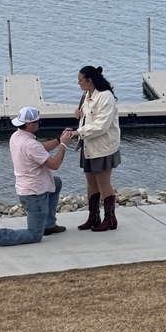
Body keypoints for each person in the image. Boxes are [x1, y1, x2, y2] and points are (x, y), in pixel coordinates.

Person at [0, 106, 73, 248]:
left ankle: (49, 225)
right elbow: (54, 164)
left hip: (27, 186)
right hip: (34, 193)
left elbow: (39, 149)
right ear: (29, 124)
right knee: (34, 235)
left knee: (56, 182)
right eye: (38, 122)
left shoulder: (17, 136)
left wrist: (58, 139)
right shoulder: (30, 144)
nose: (40, 124)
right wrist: (64, 144)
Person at [67, 65, 121, 232]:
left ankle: (110, 219)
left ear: (89, 80)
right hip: (88, 145)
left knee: (103, 182)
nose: (78, 83)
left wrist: (78, 132)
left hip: (103, 147)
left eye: (80, 80)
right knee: (91, 181)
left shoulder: (105, 97)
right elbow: (90, 117)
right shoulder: (87, 94)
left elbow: (102, 126)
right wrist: (79, 114)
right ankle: (93, 216)